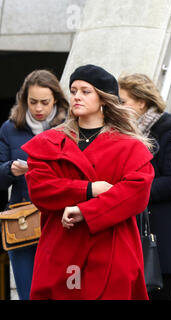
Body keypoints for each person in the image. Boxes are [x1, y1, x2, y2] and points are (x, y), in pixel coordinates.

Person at [21, 64, 154, 300]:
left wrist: (85, 211)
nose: (77, 97)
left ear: (103, 99)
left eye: (85, 91)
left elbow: (136, 194)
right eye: (73, 91)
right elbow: (40, 189)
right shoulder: (49, 142)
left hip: (112, 248)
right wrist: (89, 189)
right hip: (61, 246)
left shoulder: (129, 146)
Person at [118, 73, 171, 300]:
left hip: (163, 234)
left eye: (123, 102)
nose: (117, 107)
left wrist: (128, 194)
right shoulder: (118, 132)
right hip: (126, 233)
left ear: (141, 102)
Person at [0, 69, 68, 299]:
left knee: (60, 292)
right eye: (33, 102)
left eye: (45, 102)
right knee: (27, 292)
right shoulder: (9, 129)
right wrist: (10, 168)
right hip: (22, 219)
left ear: (56, 100)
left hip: (59, 220)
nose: (38, 108)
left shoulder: (71, 128)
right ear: (24, 100)